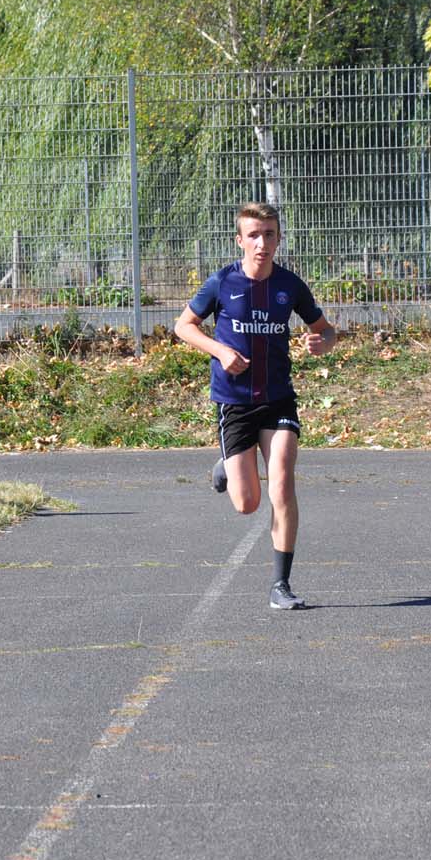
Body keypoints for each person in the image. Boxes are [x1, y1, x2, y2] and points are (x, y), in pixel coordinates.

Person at [174, 202, 337, 610]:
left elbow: (326, 329)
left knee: (281, 481)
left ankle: (281, 586)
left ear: (278, 239)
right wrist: (219, 350)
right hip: (235, 402)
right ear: (240, 240)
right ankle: (228, 462)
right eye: (254, 235)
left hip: (278, 398)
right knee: (247, 504)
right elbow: (183, 326)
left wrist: (322, 342)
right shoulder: (222, 282)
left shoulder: (290, 285)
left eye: (269, 234)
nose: (261, 243)